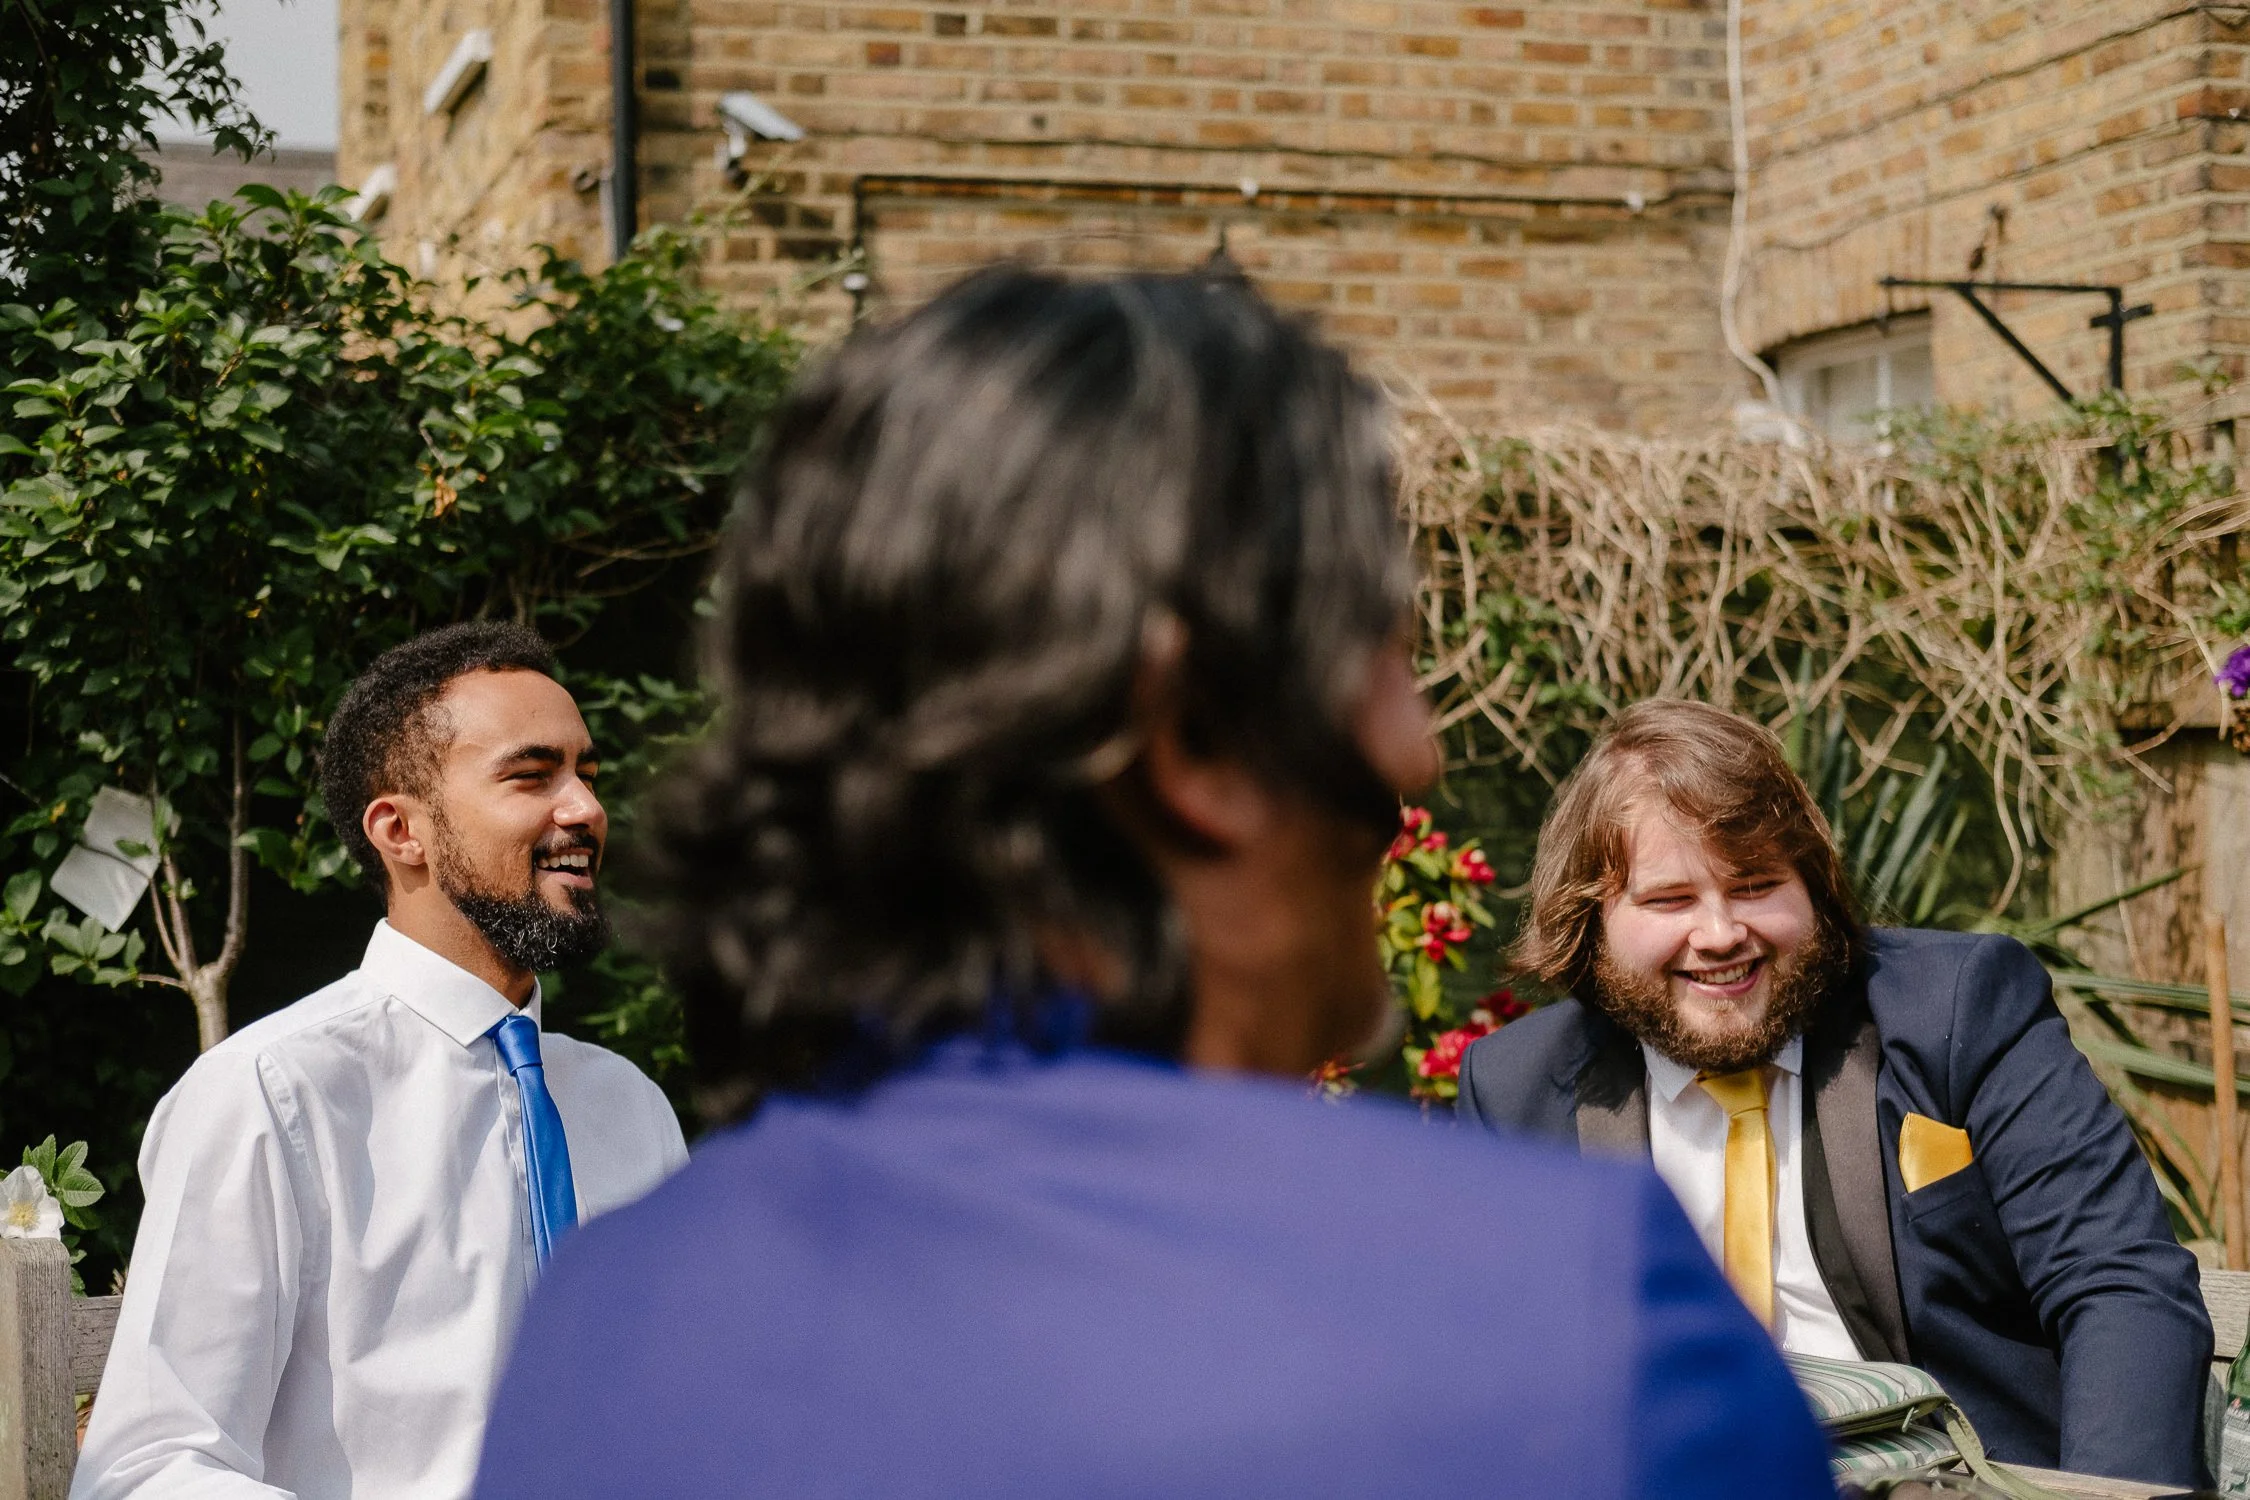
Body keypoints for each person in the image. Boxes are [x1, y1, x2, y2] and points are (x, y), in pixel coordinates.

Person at [470, 271, 1831, 1500]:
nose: (1418, 748)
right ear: (1190, 740)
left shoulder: (614, 1318)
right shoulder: (1565, 1315)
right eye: (1382, 654)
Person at [1457, 698, 2212, 1485]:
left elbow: (2118, 1283)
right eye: (1669, 900)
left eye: (1755, 884)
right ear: (1590, 918)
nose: (1720, 934)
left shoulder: (1961, 1010)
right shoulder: (1516, 1090)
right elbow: (1495, 1370)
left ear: (1813, 885)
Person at [72, 622, 689, 1500]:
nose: (585, 808)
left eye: (587, 773)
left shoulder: (630, 1108)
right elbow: (143, 1470)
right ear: (402, 831)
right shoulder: (270, 1095)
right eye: (531, 774)